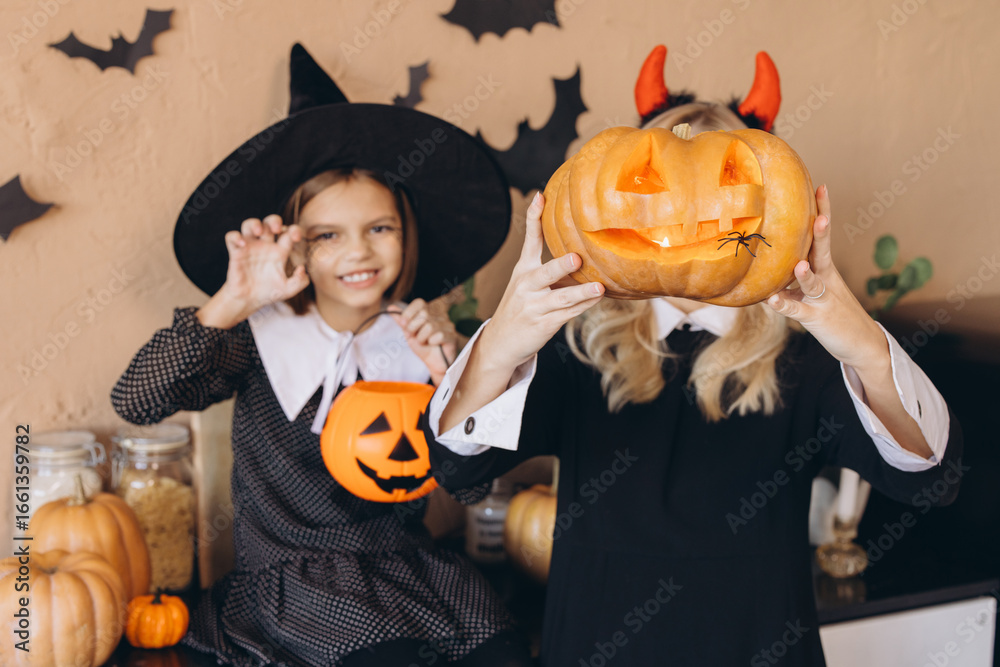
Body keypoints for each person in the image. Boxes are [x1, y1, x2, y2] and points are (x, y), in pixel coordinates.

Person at [419, 51, 963, 666]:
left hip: (758, 642)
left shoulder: (805, 355)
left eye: (721, 182)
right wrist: (501, 341)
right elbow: (458, 467)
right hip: (597, 641)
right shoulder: (576, 349)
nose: (682, 214)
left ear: (770, 211)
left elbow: (929, 477)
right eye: (657, 183)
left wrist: (861, 339)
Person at [112, 45, 532, 667]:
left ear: (407, 232)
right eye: (327, 236)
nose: (357, 254)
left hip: (413, 568)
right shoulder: (257, 337)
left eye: (379, 228)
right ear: (293, 245)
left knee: (502, 651)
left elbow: (472, 493)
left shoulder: (424, 338)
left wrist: (451, 376)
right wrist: (232, 300)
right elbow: (136, 400)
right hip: (292, 581)